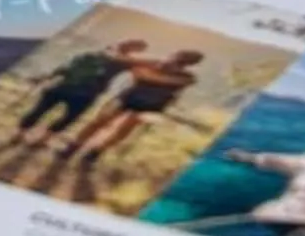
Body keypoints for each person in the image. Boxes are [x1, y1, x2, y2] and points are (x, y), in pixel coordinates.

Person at [68, 47, 208, 164]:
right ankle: (83, 148)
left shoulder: (185, 76)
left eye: (183, 58)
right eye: (179, 57)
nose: (176, 60)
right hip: (138, 100)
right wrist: (122, 55)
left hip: (141, 102)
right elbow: (124, 61)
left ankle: (90, 150)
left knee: (116, 128)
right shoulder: (165, 67)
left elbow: (153, 77)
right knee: (108, 125)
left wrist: (143, 73)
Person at [15, 39, 149, 143]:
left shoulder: (91, 53)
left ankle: (20, 133)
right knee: (69, 118)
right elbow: (142, 69)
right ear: (134, 50)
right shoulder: (125, 62)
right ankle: (43, 138)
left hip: (63, 86)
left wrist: (49, 78)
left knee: (40, 109)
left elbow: (65, 68)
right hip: (86, 93)